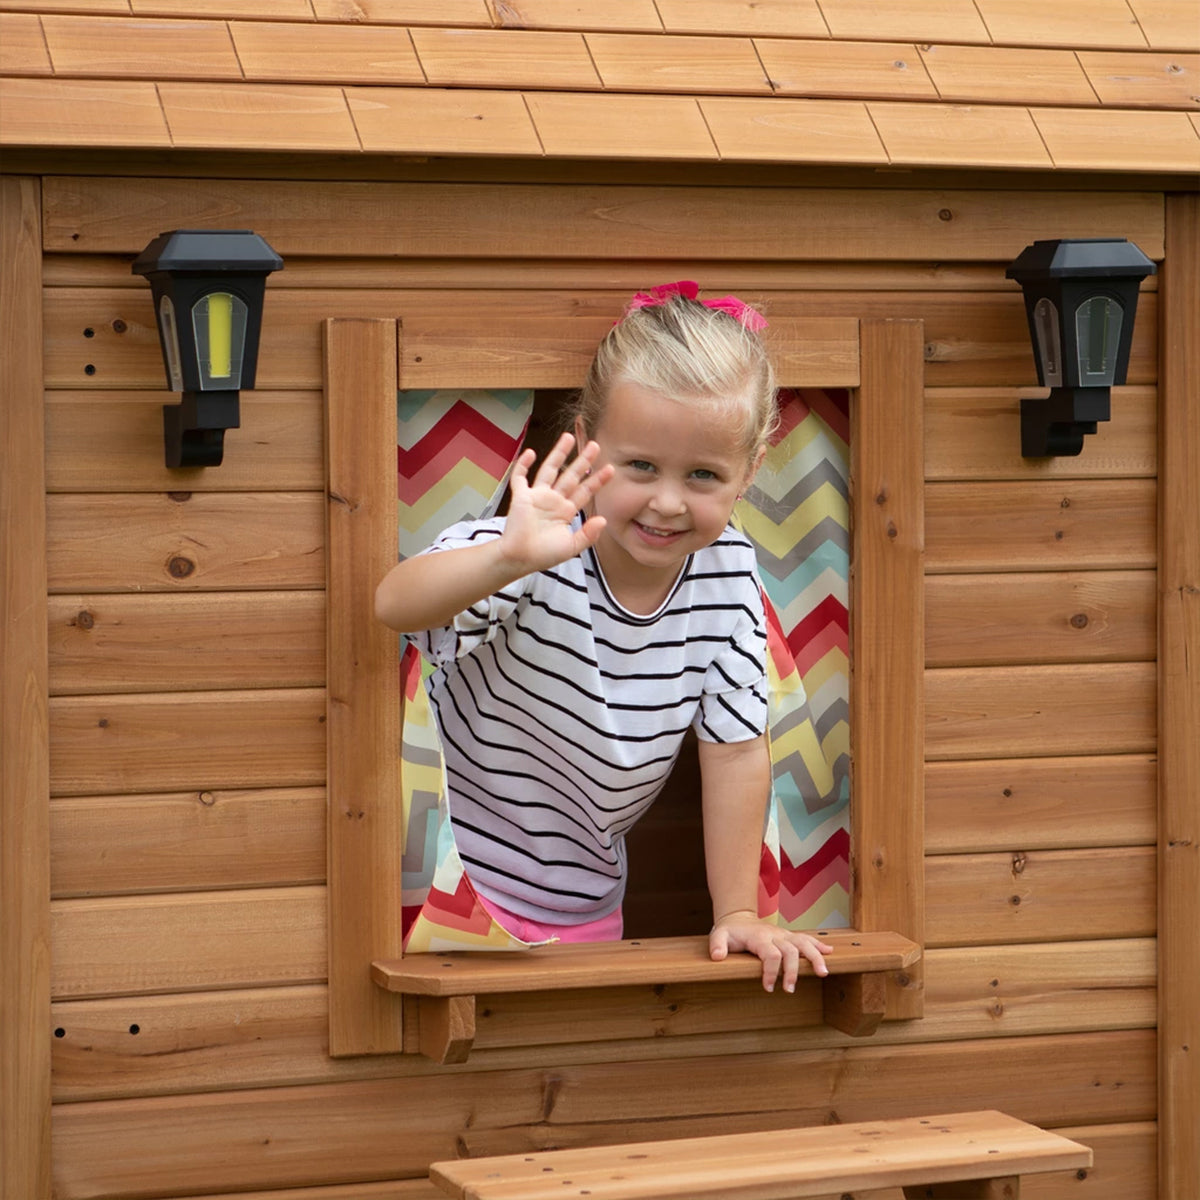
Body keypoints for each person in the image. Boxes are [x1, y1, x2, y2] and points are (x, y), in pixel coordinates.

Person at [375, 281, 832, 993]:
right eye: (642, 466)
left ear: (748, 473)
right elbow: (394, 605)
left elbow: (737, 750)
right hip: (447, 883)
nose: (667, 501)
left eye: (703, 474)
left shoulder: (729, 575)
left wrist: (739, 911)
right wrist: (505, 558)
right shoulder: (537, 545)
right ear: (588, 445)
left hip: (585, 902)